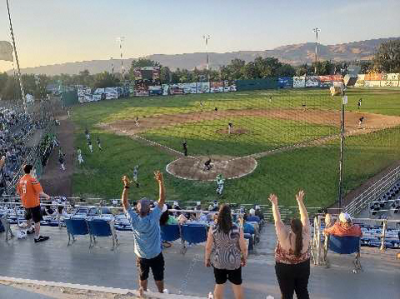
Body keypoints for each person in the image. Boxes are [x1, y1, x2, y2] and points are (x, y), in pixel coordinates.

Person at [121, 171, 168, 295]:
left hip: (141, 255)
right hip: (156, 254)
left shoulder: (133, 219)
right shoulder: (154, 217)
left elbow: (124, 203)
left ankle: (143, 294)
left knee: (143, 276)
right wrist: (160, 181)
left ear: (137, 209)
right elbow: (162, 199)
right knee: (158, 276)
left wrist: (126, 186)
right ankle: (161, 294)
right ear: (150, 210)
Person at [269, 191, 311, 299]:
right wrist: (300, 202)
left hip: (284, 268)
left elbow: (277, 219)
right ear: (301, 226)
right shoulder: (306, 234)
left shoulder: (284, 236)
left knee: (287, 295)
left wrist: (274, 204)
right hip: (303, 267)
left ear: (291, 228)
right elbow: (305, 217)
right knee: (302, 292)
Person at [205, 204, 248, 299]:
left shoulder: (213, 228)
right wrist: (244, 258)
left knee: (219, 284)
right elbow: (244, 248)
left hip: (219, 261)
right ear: (230, 215)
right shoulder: (237, 228)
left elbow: (208, 247)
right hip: (234, 262)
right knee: (237, 286)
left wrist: (207, 259)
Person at [16, 164, 51, 243]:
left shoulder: (20, 180)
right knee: (37, 221)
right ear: (31, 170)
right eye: (33, 169)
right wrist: (47, 196)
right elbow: (40, 192)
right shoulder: (32, 179)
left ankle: (29, 229)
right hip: (34, 204)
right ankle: (37, 237)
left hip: (25, 204)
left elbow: (18, 192)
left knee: (28, 218)